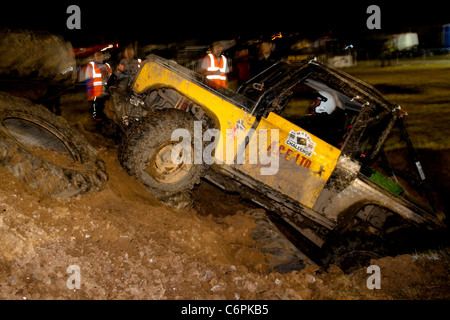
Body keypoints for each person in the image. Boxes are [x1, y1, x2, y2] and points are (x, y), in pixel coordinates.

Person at [85, 51, 112, 127]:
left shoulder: (107, 65)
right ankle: (97, 124)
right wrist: (90, 93)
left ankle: (105, 122)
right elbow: (88, 80)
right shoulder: (92, 66)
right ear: (95, 57)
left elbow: (111, 77)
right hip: (97, 93)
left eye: (100, 55)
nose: (99, 57)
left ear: (103, 56)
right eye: (97, 55)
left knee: (105, 108)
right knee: (97, 109)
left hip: (106, 92)